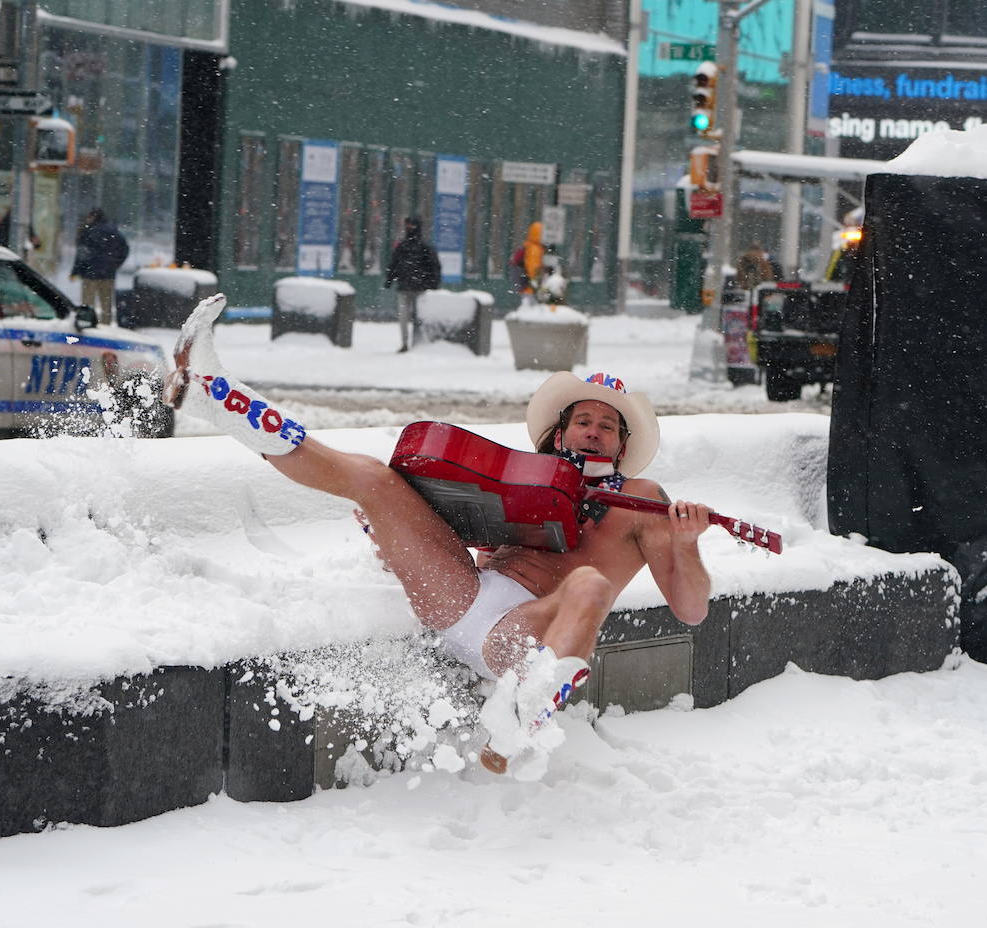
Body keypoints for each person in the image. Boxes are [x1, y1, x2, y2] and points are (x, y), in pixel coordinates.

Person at [163, 294, 714, 773]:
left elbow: (690, 609)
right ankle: (215, 396)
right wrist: (395, 527)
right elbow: (456, 537)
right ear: (560, 431)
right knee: (374, 479)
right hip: (460, 600)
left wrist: (686, 544)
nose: (593, 433)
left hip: (522, 638)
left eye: (607, 427)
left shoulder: (644, 500)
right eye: (583, 422)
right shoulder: (534, 476)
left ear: (620, 446)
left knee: (590, 584)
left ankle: (521, 717)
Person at [383, 216, 441, 352]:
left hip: (418, 288)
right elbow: (394, 265)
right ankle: (407, 342)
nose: (409, 228)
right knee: (408, 317)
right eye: (407, 225)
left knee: (415, 317)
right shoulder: (406, 246)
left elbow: (433, 267)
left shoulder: (421, 247)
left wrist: (390, 279)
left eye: (411, 225)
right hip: (409, 287)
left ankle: (415, 342)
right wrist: (389, 279)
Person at [70, 208, 130, 325]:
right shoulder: (113, 231)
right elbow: (125, 248)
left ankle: (87, 324)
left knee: (88, 303)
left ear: (92, 217)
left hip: (90, 273)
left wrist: (75, 271)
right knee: (106, 305)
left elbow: (82, 253)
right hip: (108, 273)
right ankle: (105, 326)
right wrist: (116, 264)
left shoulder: (88, 231)